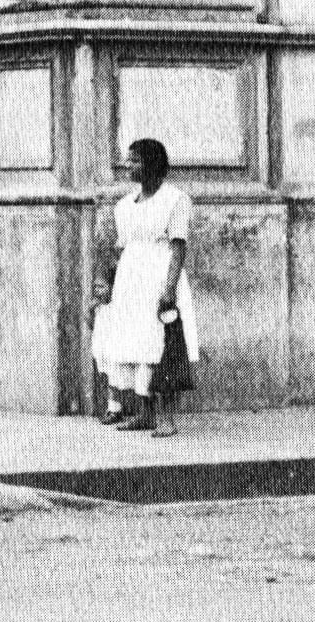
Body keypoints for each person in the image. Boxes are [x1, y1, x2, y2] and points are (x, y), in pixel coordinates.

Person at [91, 136, 196, 437]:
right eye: (128, 159)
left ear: (151, 164)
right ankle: (145, 413)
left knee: (161, 344)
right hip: (131, 279)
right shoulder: (124, 205)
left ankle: (167, 418)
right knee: (135, 343)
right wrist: (108, 285)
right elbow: (121, 248)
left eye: (135, 160)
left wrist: (170, 289)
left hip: (159, 275)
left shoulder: (175, 200)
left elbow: (178, 247)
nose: (129, 166)